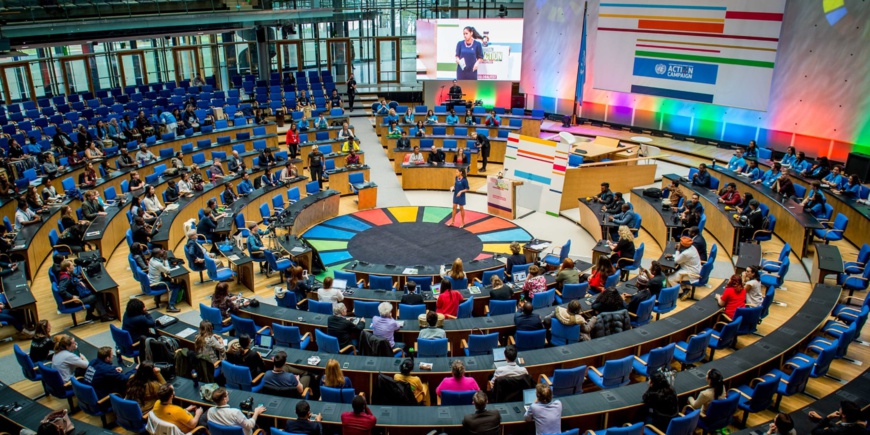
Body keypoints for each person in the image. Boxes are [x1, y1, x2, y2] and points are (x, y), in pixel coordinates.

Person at [147, 248, 182, 313]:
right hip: (155, 284)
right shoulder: (157, 264)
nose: (163, 251)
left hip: (152, 280)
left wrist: (163, 258)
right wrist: (165, 259)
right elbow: (168, 271)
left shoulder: (152, 259)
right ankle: (170, 306)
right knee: (175, 286)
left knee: (169, 280)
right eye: (161, 251)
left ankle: (157, 297)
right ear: (157, 254)